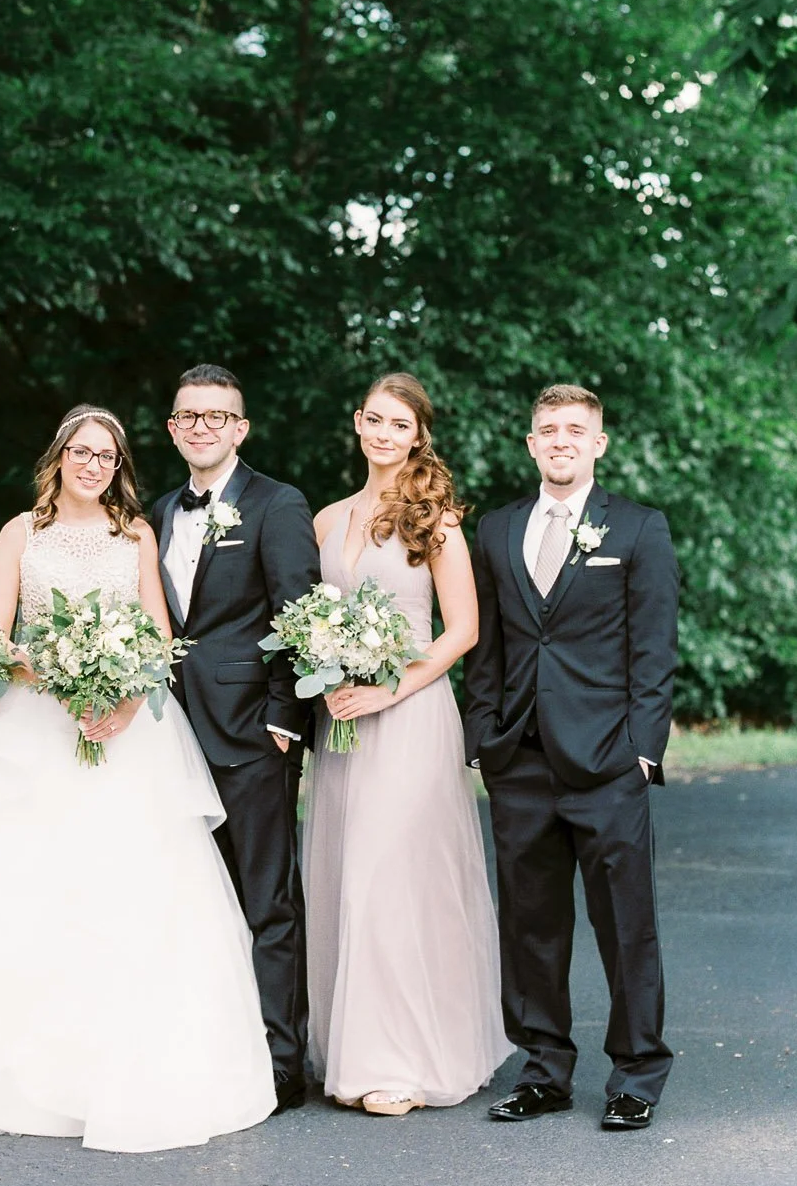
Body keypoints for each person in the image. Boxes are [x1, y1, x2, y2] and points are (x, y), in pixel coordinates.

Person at [0, 405, 276, 1151]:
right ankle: (18, 1078)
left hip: (126, 738)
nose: (92, 466)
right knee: (24, 894)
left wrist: (125, 697)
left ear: (118, 467)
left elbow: (160, 640)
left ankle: (115, 1073)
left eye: (106, 456)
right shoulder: (17, 534)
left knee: (125, 899)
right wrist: (56, 669)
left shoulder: (136, 535)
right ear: (58, 457)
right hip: (34, 728)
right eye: (80, 453)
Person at [464, 383, 679, 1131]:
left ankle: (637, 1075)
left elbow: (654, 653)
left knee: (626, 924)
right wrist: (481, 737)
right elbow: (487, 647)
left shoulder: (639, 529)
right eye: (547, 429)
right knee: (530, 923)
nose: (560, 440)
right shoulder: (496, 530)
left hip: (608, 763)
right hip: (518, 758)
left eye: (575, 430)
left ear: (598, 444)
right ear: (530, 444)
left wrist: (642, 754)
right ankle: (544, 1070)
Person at [303, 373, 511, 1115]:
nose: (384, 434)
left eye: (399, 425)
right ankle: (353, 1048)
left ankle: (403, 1059)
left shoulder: (436, 521)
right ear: (356, 423)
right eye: (373, 420)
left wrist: (389, 688)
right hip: (343, 721)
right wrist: (326, 670)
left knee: (391, 880)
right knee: (343, 872)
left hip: (411, 713)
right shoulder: (327, 521)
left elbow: (463, 630)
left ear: (418, 436)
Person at [150, 364, 320, 1113]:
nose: (203, 428)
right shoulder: (156, 512)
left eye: (218, 417)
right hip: (164, 739)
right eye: (190, 417)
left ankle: (282, 1063)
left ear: (241, 428)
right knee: (191, 900)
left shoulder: (277, 504)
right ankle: (207, 1050)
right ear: (173, 428)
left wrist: (285, 717)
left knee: (268, 903)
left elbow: (300, 613)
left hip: (253, 734)